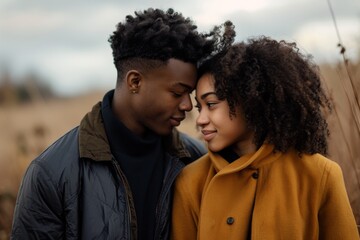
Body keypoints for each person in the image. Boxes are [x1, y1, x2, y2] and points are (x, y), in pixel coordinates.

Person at [11, 8, 219, 239]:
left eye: (189, 94)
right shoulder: (51, 173)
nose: (188, 106)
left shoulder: (196, 160)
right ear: (135, 81)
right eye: (177, 93)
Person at [171, 34, 360, 239]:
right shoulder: (191, 182)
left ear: (250, 100)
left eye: (212, 104)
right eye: (199, 107)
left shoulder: (320, 175)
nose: (200, 119)